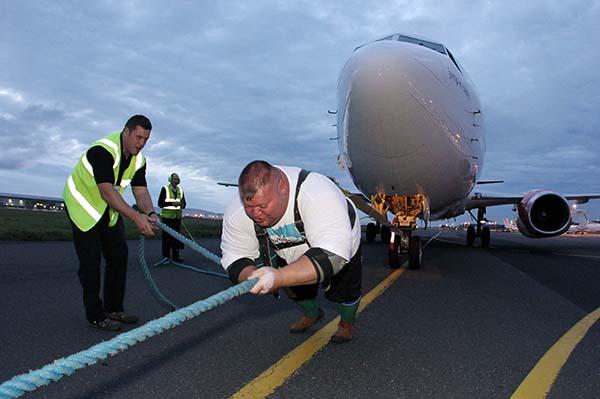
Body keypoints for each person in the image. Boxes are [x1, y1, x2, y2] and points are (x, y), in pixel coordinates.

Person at [221, 160, 362, 343]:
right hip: (287, 249)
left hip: (340, 242)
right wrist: (253, 276)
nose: (256, 214)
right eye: (250, 207)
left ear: (283, 187)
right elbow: (235, 257)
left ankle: (345, 325)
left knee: (346, 289)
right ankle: (313, 314)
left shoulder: (318, 193)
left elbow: (332, 256)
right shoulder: (236, 213)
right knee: (294, 289)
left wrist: (279, 277)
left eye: (263, 206)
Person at [63, 115, 158, 331]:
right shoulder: (102, 150)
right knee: (91, 262)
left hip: (107, 210)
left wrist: (150, 212)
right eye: (138, 137)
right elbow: (106, 191)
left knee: (118, 255)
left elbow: (140, 190)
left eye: (146, 139)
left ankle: (114, 308)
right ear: (126, 131)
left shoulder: (138, 160)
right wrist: (136, 218)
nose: (141, 143)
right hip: (83, 208)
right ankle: (96, 315)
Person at [158, 173, 186, 262]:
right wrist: (172, 204)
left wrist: (181, 204)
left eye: (178, 179)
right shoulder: (165, 189)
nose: (177, 181)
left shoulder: (180, 190)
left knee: (176, 238)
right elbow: (160, 203)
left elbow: (184, 204)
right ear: (170, 179)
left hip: (177, 218)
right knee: (166, 238)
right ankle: (166, 257)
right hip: (167, 218)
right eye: (175, 179)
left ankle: (175, 256)